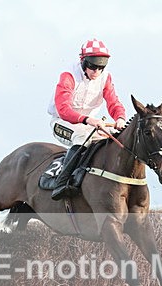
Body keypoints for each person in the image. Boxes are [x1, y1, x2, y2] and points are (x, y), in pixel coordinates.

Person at [47, 38, 127, 200]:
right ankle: (61, 183)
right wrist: (86, 119)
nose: (96, 71)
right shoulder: (68, 76)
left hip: (88, 123)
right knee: (82, 137)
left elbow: (114, 102)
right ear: (82, 61)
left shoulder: (105, 78)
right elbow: (63, 110)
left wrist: (120, 118)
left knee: (113, 138)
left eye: (101, 67)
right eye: (92, 66)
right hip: (62, 122)